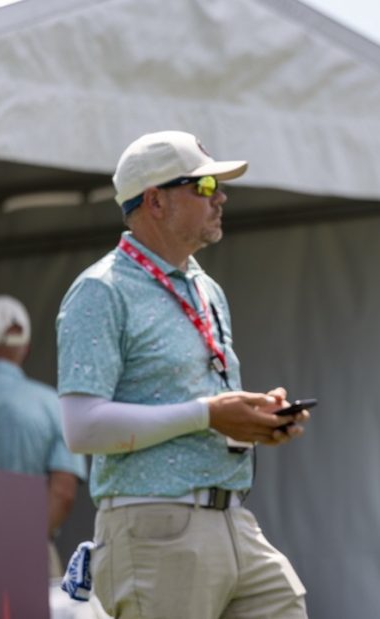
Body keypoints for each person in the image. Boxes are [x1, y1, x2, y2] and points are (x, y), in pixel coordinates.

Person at [56, 130, 310, 619]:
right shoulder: (100, 290)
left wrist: (255, 418)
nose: (222, 198)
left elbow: (203, 402)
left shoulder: (205, 288)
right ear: (155, 201)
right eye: (206, 187)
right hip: (153, 524)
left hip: (233, 517)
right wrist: (209, 415)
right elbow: (81, 427)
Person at [0, 294, 88, 579]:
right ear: (25, 349)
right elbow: (64, 492)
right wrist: (26, 541)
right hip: (30, 552)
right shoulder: (54, 405)